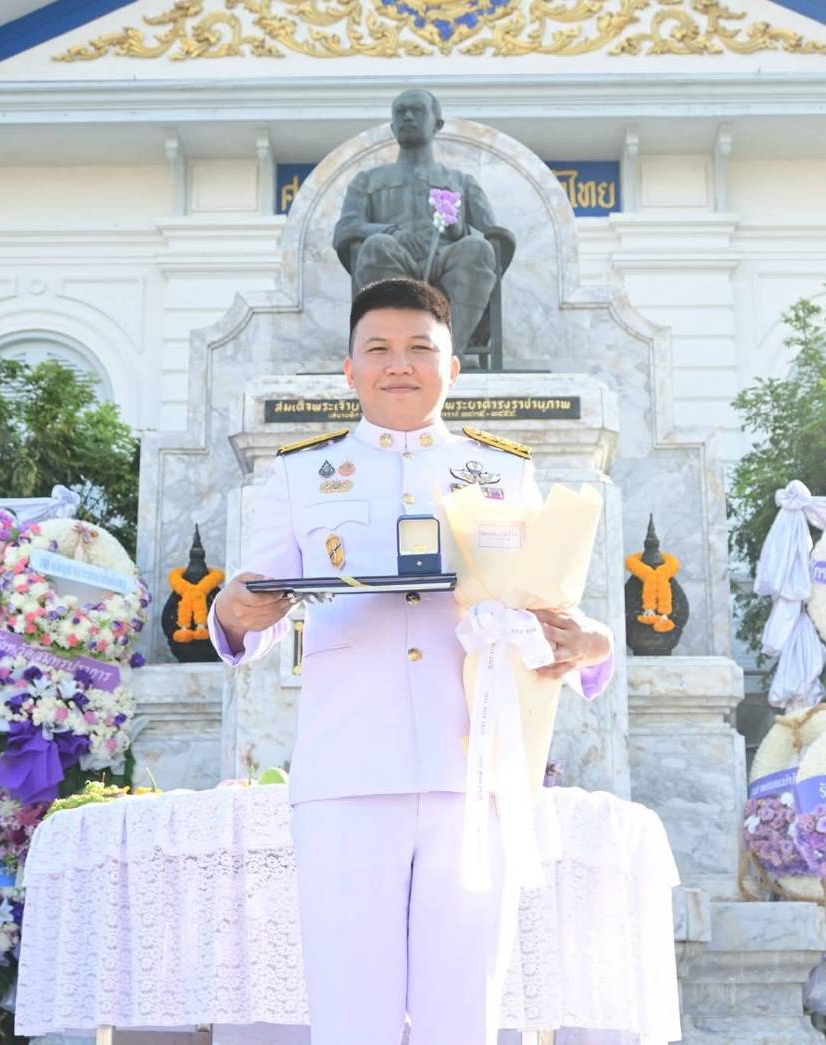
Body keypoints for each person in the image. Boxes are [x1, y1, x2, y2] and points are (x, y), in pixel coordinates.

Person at [210, 277, 613, 1044]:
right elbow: (249, 604)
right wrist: (233, 612)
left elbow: (545, 605)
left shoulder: (503, 472)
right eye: (379, 348)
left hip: (472, 771)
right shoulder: (298, 475)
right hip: (347, 772)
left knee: (462, 1014)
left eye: (419, 348)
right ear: (349, 369)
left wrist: (588, 644)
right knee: (349, 1014)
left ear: (451, 368)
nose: (399, 364)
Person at [333, 88, 505, 361]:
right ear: (393, 127)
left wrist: (460, 231)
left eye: (417, 111)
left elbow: (493, 235)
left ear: (437, 124)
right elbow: (347, 228)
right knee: (377, 245)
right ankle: (396, 350)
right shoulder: (368, 180)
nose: (408, 117)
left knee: (477, 248)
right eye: (401, 112)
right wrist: (389, 231)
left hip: (447, 259)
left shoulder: (461, 181)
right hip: (394, 259)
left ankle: (449, 355)